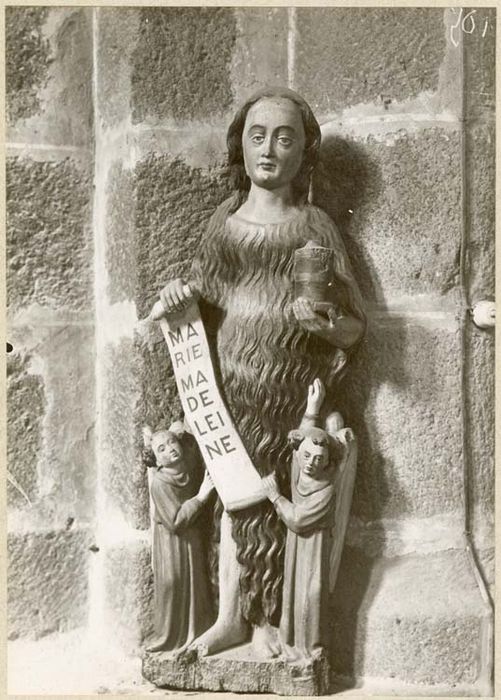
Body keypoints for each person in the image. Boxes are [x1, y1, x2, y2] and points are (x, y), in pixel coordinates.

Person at [155, 87, 365, 657]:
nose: (269, 149)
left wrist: (325, 326)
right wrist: (180, 296)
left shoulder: (317, 226)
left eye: (285, 137)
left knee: (275, 497)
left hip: (294, 393)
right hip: (230, 386)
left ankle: (271, 621)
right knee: (232, 498)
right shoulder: (223, 224)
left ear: (305, 152)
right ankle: (229, 617)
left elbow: (355, 328)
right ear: (240, 147)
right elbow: (195, 302)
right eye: (257, 135)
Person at [261, 381, 351, 662]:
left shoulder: (326, 489)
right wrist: (312, 409)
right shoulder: (299, 468)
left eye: (319, 458)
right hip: (296, 551)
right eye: (307, 456)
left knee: (312, 596)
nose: (311, 462)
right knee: (292, 595)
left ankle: (312, 650)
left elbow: (298, 520)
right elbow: (300, 440)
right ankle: (291, 644)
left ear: (328, 462)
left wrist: (276, 497)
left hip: (314, 553)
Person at [144, 424, 215, 653]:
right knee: (173, 583)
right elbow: (175, 521)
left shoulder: (188, 467)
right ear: (156, 460)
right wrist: (202, 496)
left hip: (190, 538)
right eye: (161, 449)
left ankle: (197, 631)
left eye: (172, 442)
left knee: (195, 582)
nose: (170, 449)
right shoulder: (160, 483)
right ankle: (168, 637)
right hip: (171, 543)